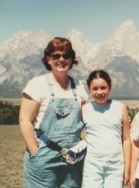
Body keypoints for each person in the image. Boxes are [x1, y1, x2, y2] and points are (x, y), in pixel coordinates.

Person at [19, 37, 89, 187]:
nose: (61, 59)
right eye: (56, 56)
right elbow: (24, 120)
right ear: (48, 59)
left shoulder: (78, 86)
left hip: (73, 157)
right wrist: (35, 153)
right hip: (44, 155)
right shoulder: (37, 84)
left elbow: (88, 119)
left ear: (71, 60)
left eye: (66, 56)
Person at [81, 70, 131, 188]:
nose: (100, 92)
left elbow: (127, 139)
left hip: (116, 166)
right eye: (95, 88)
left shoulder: (120, 108)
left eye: (103, 88)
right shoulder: (84, 109)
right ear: (89, 89)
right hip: (92, 165)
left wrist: (127, 168)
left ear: (110, 87)